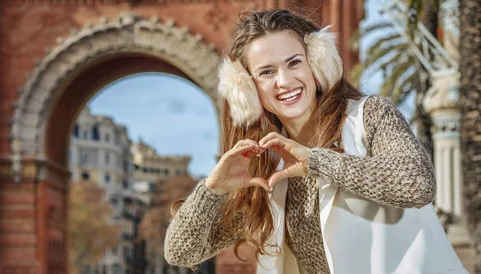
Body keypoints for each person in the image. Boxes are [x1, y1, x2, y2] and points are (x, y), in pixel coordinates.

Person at [163, 9, 467, 274]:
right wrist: (212, 190)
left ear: (316, 62)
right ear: (246, 89)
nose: (284, 81)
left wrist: (316, 162)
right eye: (267, 72)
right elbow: (181, 252)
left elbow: (417, 184)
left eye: (294, 63)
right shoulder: (266, 168)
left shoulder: (369, 116)